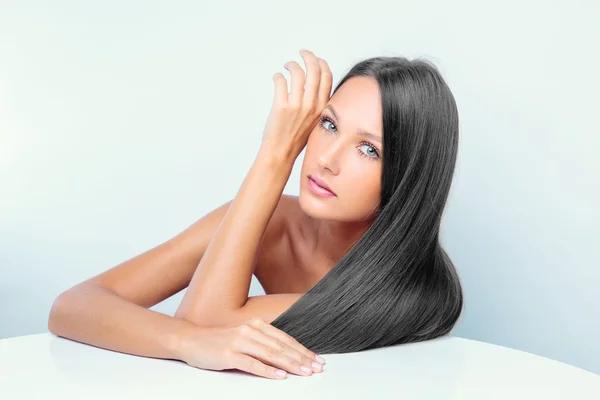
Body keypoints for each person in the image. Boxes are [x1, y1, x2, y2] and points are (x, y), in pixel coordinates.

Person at [48, 48, 463, 380]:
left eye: (369, 149)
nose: (327, 159)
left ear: (408, 177)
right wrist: (181, 342)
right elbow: (71, 306)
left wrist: (275, 157)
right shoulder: (274, 220)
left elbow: (207, 325)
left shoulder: (407, 292)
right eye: (328, 125)